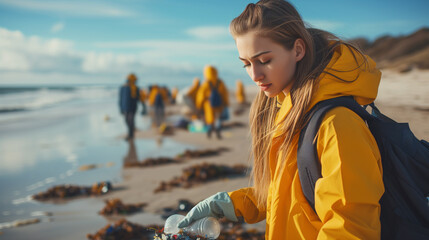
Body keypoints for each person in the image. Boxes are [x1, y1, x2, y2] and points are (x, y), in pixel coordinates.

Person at [178, 0, 385, 239]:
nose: (255, 75)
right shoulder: (287, 111)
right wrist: (231, 204)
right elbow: (288, 195)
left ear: (298, 50)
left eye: (264, 60)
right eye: (246, 64)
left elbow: (352, 227)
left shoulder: (337, 125)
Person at [196, 65, 229, 139]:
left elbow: (200, 96)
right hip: (219, 103)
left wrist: (199, 106)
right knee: (218, 119)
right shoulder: (220, 82)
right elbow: (224, 93)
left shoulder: (206, 83)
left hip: (208, 104)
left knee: (210, 119)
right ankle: (218, 132)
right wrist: (226, 103)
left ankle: (209, 132)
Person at [119, 73, 140, 140]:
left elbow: (138, 98)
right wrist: (120, 108)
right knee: (126, 121)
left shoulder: (136, 88)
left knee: (131, 121)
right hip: (125, 108)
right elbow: (120, 99)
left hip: (132, 108)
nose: (135, 81)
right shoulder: (123, 88)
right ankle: (130, 133)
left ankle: (130, 135)